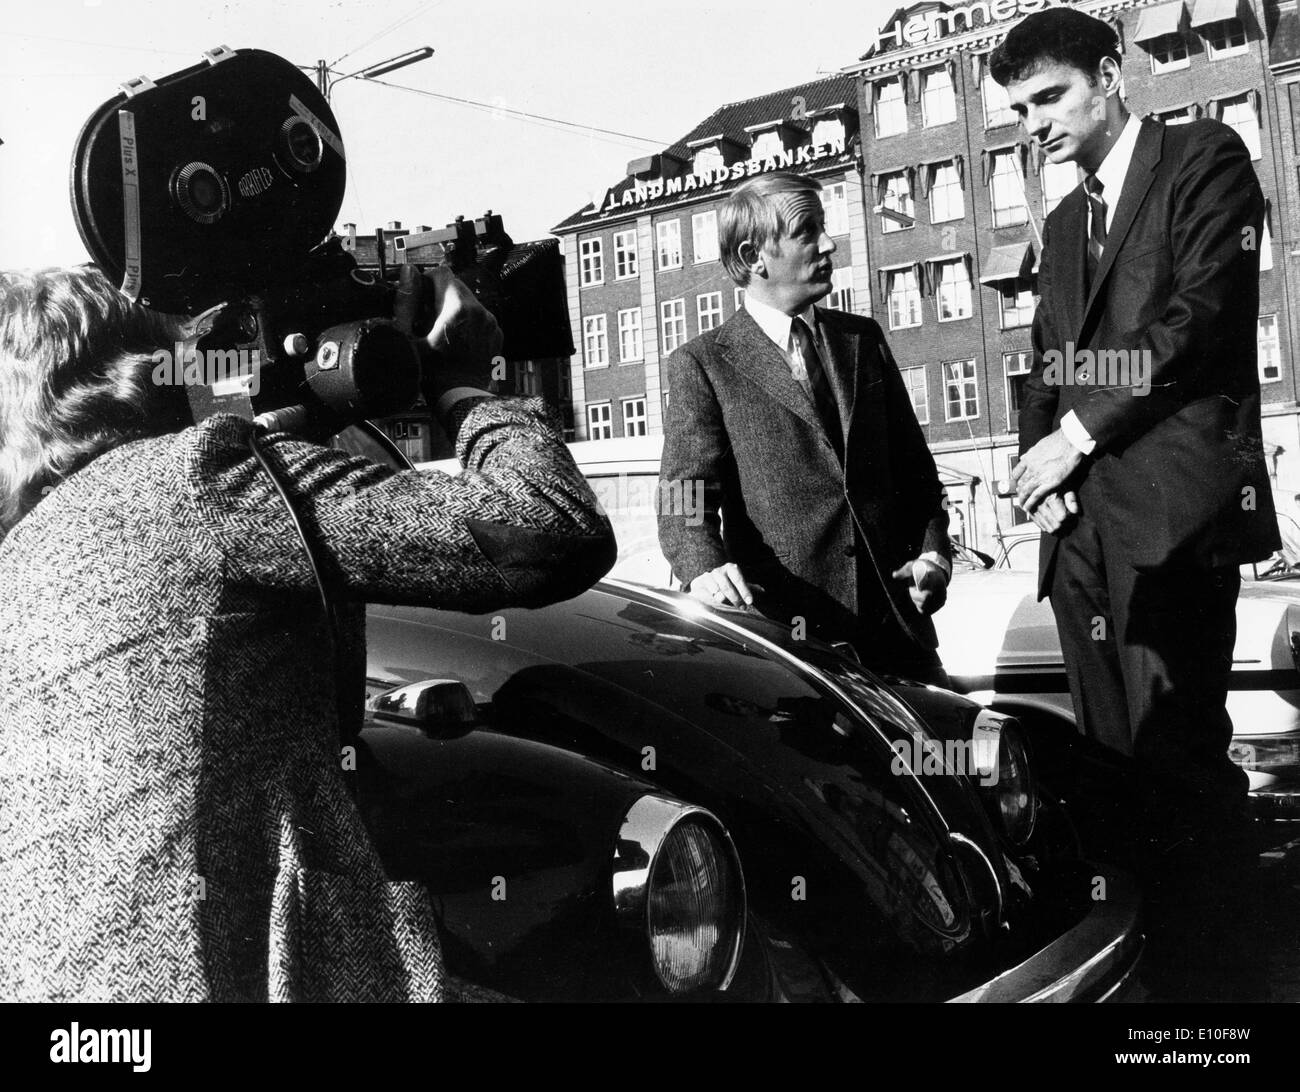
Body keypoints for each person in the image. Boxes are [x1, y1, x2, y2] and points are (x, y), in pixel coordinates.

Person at [0, 263, 616, 1002]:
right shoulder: (200, 478)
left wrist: (316, 409)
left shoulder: (23, 556)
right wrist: (466, 383)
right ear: (138, 371)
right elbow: (547, 526)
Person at [992, 9, 1279, 992]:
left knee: (1184, 772)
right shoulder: (1064, 220)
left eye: (1050, 97)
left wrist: (1074, 437)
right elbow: (1046, 359)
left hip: (1170, 525)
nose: (1033, 124)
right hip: (1080, 540)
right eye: (1019, 108)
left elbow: (1194, 319)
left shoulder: (1205, 159)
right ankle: (1148, 986)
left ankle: (1220, 1009)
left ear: (1111, 73)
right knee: (1110, 781)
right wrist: (1037, 461)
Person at [657, 172, 952, 683]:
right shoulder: (704, 364)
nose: (829, 243)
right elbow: (684, 494)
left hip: (899, 637)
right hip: (790, 651)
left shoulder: (862, 340)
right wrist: (703, 568)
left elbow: (916, 473)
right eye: (807, 230)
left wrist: (933, 554)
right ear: (754, 257)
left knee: (941, 762)